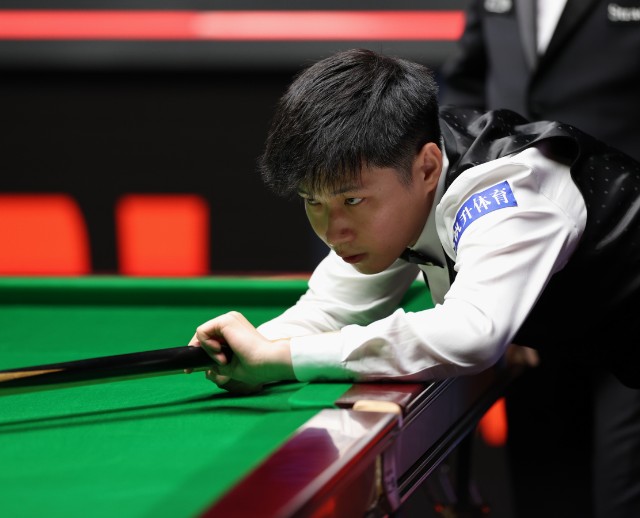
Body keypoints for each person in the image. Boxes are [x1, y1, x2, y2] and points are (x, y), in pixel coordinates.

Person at [187, 48, 640, 514]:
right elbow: (329, 310)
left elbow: (470, 335)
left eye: (352, 201)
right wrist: (251, 347)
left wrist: (280, 359)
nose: (333, 231)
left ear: (427, 168)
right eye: (313, 202)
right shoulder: (398, 163)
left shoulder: (506, 191)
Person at [439, 2, 640, 516]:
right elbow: (464, 91)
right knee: (544, 493)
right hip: (534, 285)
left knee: (624, 493)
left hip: (628, 274)